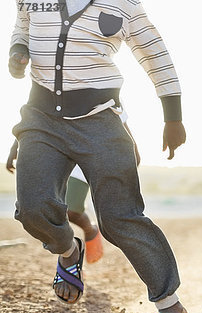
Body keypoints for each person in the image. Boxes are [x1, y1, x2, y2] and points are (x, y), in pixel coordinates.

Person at [8, 0, 191, 313]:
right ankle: (69, 252)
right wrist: (18, 50)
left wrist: (172, 116)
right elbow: (23, 26)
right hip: (42, 118)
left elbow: (155, 54)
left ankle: (171, 307)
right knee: (32, 207)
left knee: (120, 218)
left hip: (101, 121)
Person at [6, 111, 141, 264]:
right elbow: (34, 117)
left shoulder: (102, 87)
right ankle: (70, 257)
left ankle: (89, 230)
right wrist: (15, 147)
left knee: (71, 210)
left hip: (87, 153)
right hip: (53, 151)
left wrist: (133, 153)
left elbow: (119, 119)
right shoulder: (48, 87)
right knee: (45, 207)